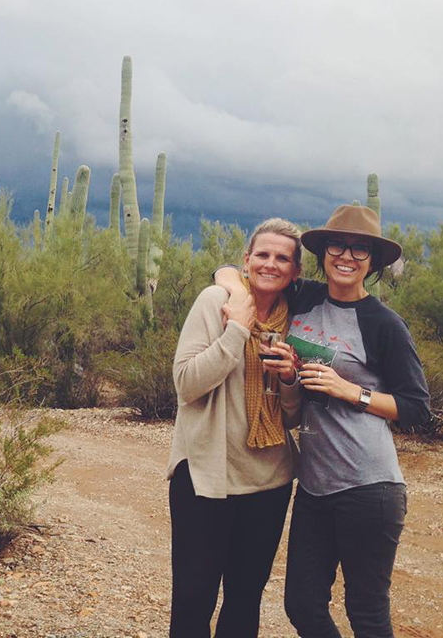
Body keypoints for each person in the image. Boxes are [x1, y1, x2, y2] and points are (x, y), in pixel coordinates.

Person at [216, 204, 431, 638]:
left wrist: (352, 391)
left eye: (360, 249)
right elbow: (232, 270)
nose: (347, 256)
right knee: (302, 604)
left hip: (369, 488)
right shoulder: (305, 297)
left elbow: (418, 409)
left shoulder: (383, 324)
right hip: (314, 486)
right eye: (338, 244)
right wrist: (236, 293)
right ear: (322, 252)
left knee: (367, 613)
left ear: (372, 262)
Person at [167, 218, 301, 638]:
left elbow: (292, 417)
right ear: (246, 260)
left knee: (244, 597)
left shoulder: (292, 321)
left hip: (269, 481)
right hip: (207, 477)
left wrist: (289, 379)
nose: (270, 264)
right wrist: (237, 331)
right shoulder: (216, 301)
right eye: (262, 254)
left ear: (295, 271)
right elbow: (186, 383)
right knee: (193, 598)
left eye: (282, 258)